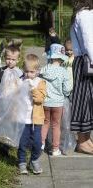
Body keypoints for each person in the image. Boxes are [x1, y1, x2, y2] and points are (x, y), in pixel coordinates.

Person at [0, 46, 23, 156]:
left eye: (13, 59)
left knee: (12, 123)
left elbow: (23, 86)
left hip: (14, 104)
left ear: (18, 60)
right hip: (3, 102)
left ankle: (10, 142)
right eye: (8, 58)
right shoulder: (1, 71)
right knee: (3, 122)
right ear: (5, 58)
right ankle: (3, 143)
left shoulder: (19, 73)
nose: (10, 61)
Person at [70, 0, 93, 154]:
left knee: (89, 100)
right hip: (86, 61)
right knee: (83, 99)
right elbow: (89, 41)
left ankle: (86, 138)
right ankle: (82, 141)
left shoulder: (87, 13)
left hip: (87, 60)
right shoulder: (84, 14)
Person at [40, 44, 71, 156]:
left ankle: (41, 144)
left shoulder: (44, 69)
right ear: (61, 57)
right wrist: (65, 94)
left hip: (45, 102)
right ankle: (55, 149)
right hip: (58, 103)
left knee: (45, 123)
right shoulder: (63, 71)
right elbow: (67, 89)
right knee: (56, 125)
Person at [18, 54, 46, 175]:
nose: (29, 74)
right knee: (22, 142)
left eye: (32, 72)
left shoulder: (40, 82)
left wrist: (33, 89)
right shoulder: (21, 80)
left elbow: (40, 99)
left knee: (37, 142)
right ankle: (22, 162)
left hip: (36, 118)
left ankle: (34, 160)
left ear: (37, 71)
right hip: (23, 118)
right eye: (26, 71)